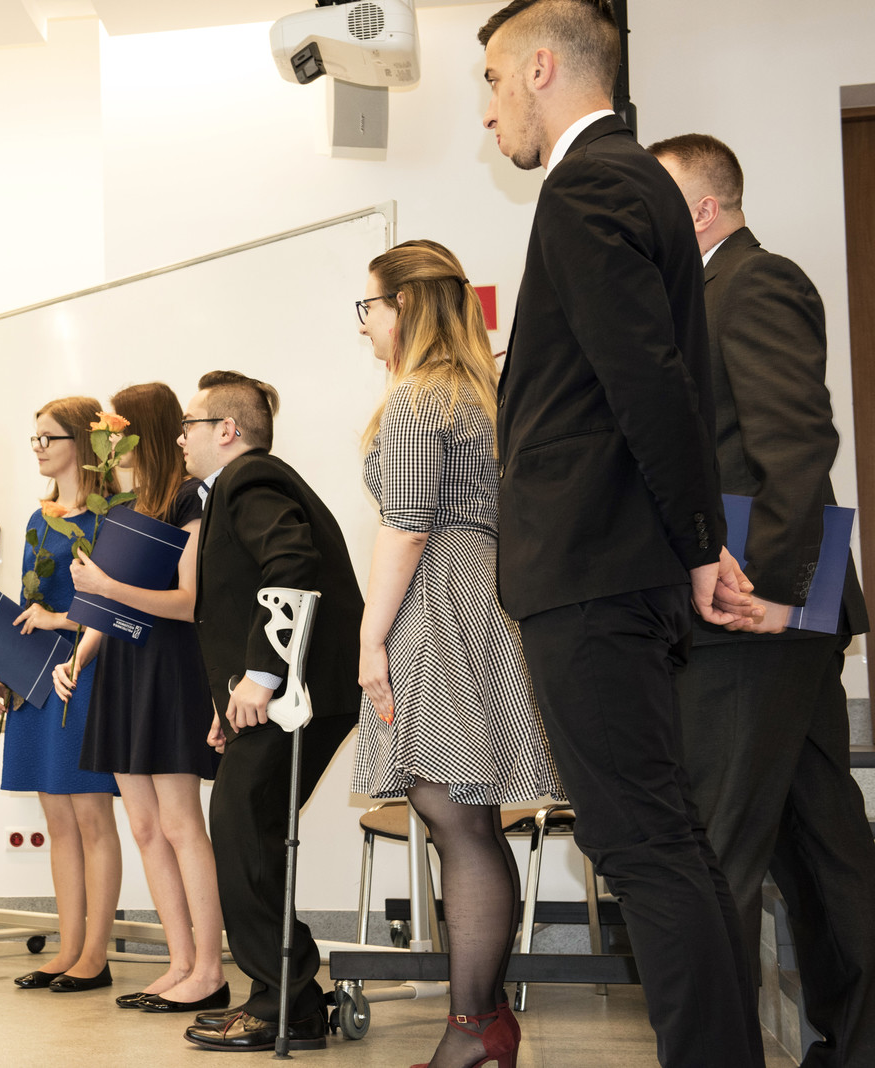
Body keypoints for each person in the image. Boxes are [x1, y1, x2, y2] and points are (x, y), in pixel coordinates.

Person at [477, 4, 763, 1064]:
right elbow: (659, 382)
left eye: (493, 80)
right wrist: (696, 541)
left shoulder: (588, 185)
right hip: (618, 560)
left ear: (541, 68)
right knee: (666, 840)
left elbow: (647, 381)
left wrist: (697, 543)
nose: (489, 110)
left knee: (642, 845)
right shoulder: (637, 181)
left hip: (591, 567)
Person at [651, 132, 875, 1068]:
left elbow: (799, 447)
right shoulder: (702, 294)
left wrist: (781, 601)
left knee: (716, 852)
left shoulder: (753, 283)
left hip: (754, 616)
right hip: (767, 615)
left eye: (659, 203)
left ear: (702, 210)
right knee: (822, 846)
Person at [351, 241, 563, 1068]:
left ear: (405, 306)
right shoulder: (480, 392)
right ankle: (486, 1020)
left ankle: (474, 1028)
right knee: (468, 817)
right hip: (481, 591)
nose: (364, 323)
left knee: (454, 817)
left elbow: (405, 526)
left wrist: (370, 637)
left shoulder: (418, 397)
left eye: (369, 306)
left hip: (439, 593)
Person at [176, 370, 363, 1053]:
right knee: (247, 831)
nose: (181, 438)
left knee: (241, 827)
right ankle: (289, 998)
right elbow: (247, 595)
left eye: (190, 425)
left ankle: (286, 1001)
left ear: (226, 430)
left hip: (296, 689)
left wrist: (260, 676)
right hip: (287, 690)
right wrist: (233, 697)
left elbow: (289, 562)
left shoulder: (248, 477)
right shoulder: (242, 483)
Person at [55, 382, 226, 1013]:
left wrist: (103, 587)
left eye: (116, 429)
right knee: (146, 827)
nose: (109, 441)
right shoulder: (126, 505)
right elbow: (109, 604)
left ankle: (210, 968)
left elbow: (187, 602)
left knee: (181, 824)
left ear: (140, 431)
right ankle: (180, 962)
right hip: (124, 669)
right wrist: (79, 653)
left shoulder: (189, 497)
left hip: (170, 669)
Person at [0, 397, 123, 994]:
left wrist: (58, 621)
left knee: (92, 814)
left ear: (82, 444)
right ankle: (68, 948)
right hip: (38, 673)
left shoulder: (110, 516)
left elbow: (113, 605)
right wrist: (4, 669)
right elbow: (27, 604)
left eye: (49, 437)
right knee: (57, 817)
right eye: (34, 437)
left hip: (85, 670)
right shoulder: (38, 519)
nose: (38, 447)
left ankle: (96, 954)